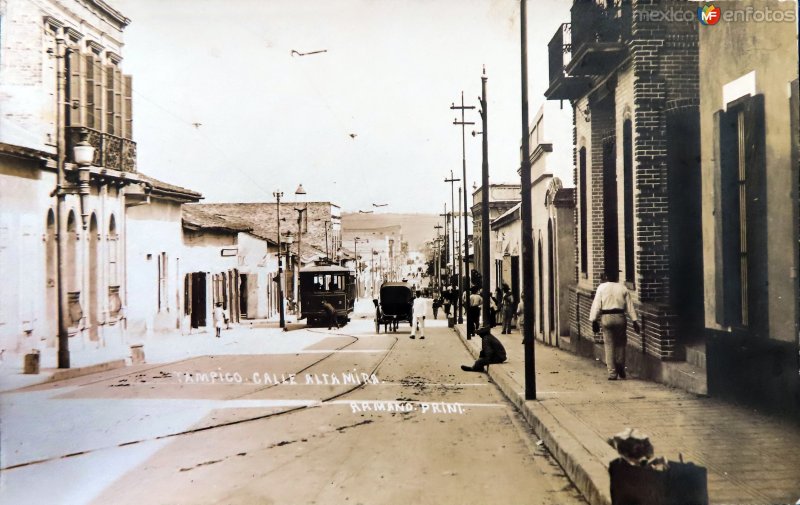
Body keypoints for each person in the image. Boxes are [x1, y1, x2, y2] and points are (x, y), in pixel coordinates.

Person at [589, 272, 641, 380]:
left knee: (609, 345)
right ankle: (620, 364)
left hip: (606, 317)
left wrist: (594, 320)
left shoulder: (601, 288)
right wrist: (635, 321)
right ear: (617, 277)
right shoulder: (623, 288)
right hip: (619, 316)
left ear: (607, 277)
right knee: (621, 343)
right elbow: (630, 307)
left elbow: (597, 305)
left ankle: (612, 373)